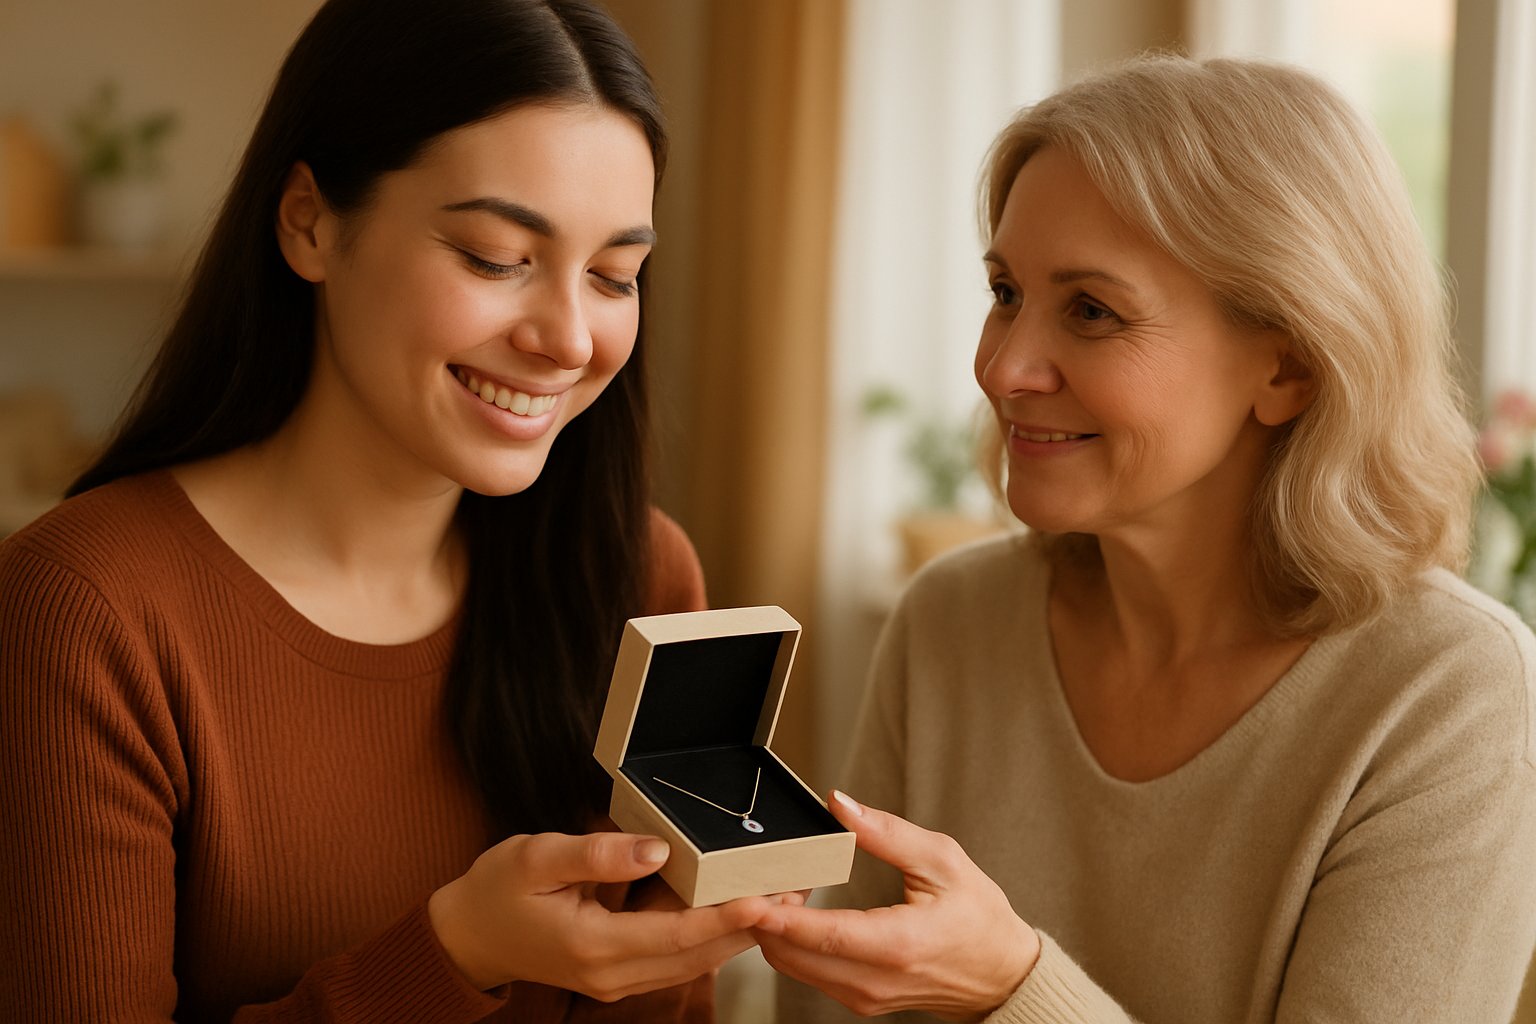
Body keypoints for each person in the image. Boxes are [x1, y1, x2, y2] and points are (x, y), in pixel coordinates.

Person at [0, 0, 789, 1020]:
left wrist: (699, 924)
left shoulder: (635, 575)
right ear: (310, 222)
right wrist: (454, 954)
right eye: (497, 257)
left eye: (612, 276)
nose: (568, 338)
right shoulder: (84, 608)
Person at [766, 55, 1536, 1023]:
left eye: (1091, 310)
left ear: (1288, 367)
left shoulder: (1452, 693)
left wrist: (1013, 988)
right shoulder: (950, 621)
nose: (1001, 366)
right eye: (1005, 291)